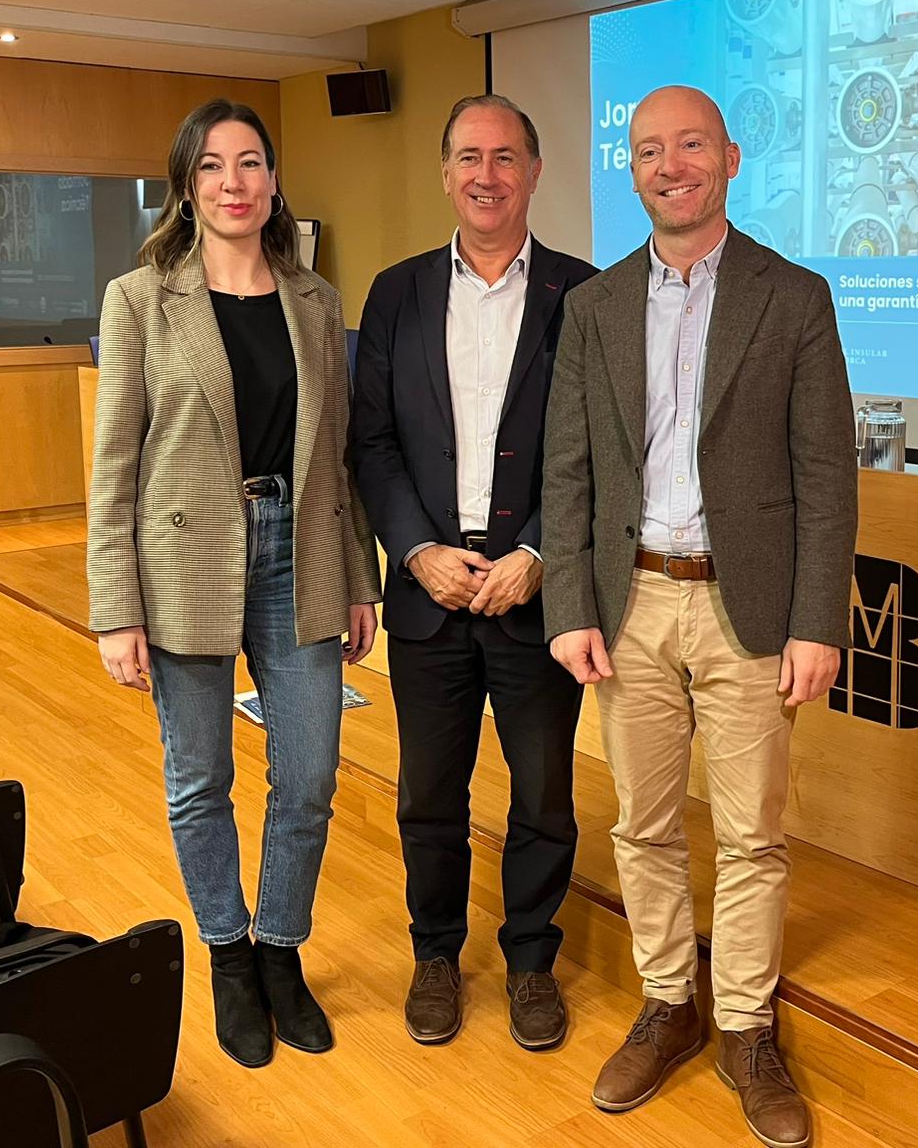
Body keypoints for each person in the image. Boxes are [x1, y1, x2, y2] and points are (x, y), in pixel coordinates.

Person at [541, 85, 856, 1148]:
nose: (669, 165)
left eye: (688, 146)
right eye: (647, 151)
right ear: (630, 170)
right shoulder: (594, 307)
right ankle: (669, 1003)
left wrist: (818, 621)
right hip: (628, 603)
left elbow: (826, 475)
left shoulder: (793, 297)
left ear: (728, 158)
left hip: (747, 609)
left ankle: (746, 1029)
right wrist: (569, 604)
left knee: (752, 835)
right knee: (640, 824)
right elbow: (568, 470)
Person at [87, 97, 380, 1070]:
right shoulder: (140, 299)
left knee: (309, 776)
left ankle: (280, 951)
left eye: (249, 162)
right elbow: (113, 465)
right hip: (185, 561)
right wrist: (115, 610)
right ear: (186, 186)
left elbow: (337, 455)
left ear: (273, 180)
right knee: (198, 778)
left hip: (301, 552)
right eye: (211, 166)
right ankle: (227, 954)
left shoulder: (315, 300)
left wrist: (361, 578)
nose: (233, 183)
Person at [349, 95, 596, 1051]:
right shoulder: (395, 293)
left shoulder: (585, 295)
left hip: (535, 597)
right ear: (445, 172)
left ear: (533, 171)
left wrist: (537, 552)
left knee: (543, 798)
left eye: (503, 157)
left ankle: (531, 961)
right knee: (428, 796)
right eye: (467, 157)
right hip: (430, 594)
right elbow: (373, 444)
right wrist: (416, 551)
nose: (485, 175)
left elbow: (599, 449)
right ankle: (436, 956)